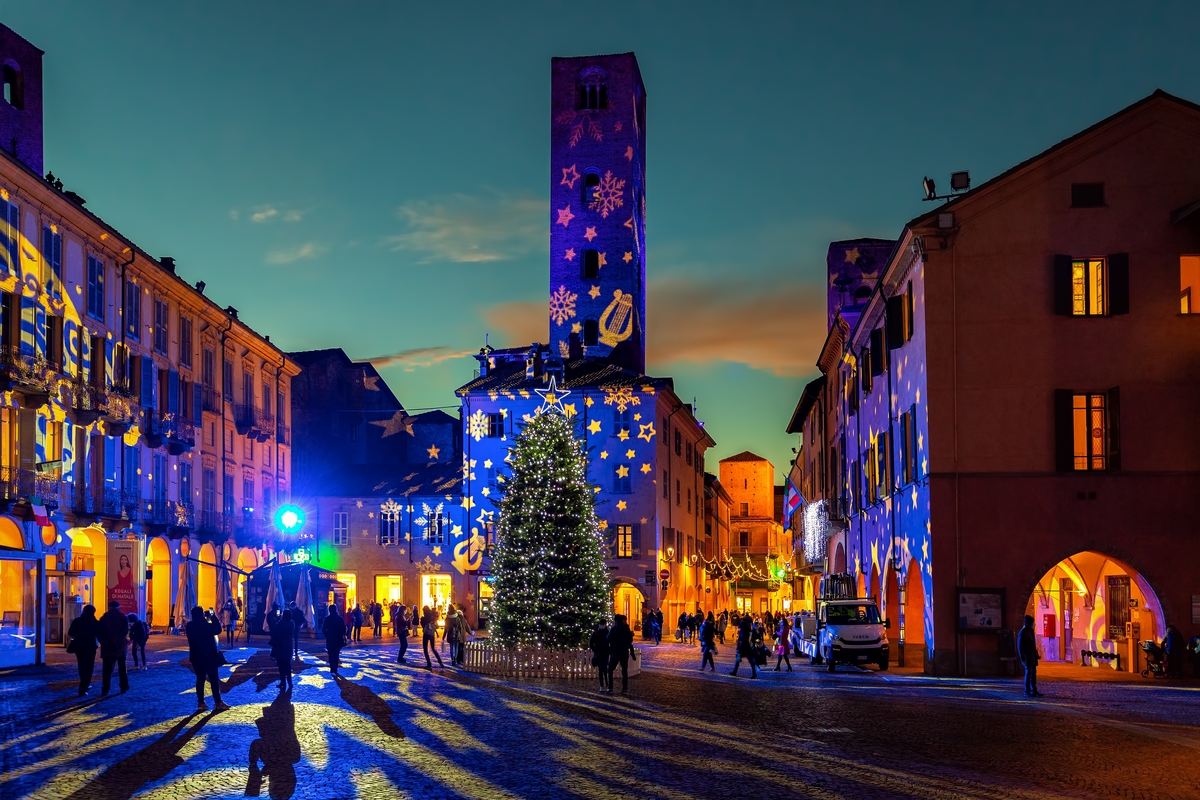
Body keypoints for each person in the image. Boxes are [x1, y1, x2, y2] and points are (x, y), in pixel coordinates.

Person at [186, 605, 229, 711]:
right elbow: (217, 630)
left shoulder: (189, 626)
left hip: (196, 656)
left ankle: (201, 703)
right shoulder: (205, 625)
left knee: (200, 679)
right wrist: (212, 617)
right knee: (214, 679)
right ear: (201, 614)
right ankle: (218, 702)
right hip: (209, 656)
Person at [99, 600, 130, 695]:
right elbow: (125, 631)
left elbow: (100, 632)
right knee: (122, 668)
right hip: (120, 646)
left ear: (109, 607)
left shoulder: (104, 617)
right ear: (118, 607)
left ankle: (105, 689)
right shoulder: (123, 617)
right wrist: (119, 640)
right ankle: (123, 687)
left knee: (107, 670)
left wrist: (104, 641)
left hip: (107, 646)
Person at [67, 604, 100, 696]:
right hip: (90, 646)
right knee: (89, 666)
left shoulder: (77, 621)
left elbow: (70, 632)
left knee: (81, 665)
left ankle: (83, 682)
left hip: (79, 646)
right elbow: (99, 634)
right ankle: (85, 685)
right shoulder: (94, 622)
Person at [606, 614, 637, 694]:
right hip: (624, 652)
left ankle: (610, 688)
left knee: (610, 670)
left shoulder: (614, 629)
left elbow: (608, 639)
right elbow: (630, 641)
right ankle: (624, 689)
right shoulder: (626, 628)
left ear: (616, 621)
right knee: (624, 671)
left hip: (615, 652)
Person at [271, 609, 295, 691]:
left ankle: (283, 682)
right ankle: (290, 682)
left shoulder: (280, 623)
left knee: (281, 666)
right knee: (288, 665)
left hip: (280, 647)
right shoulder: (292, 623)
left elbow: (275, 632)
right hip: (288, 646)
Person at [1018, 614, 1041, 697]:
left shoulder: (1030, 631)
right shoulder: (1023, 632)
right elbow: (1020, 646)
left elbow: (1032, 645)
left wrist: (1036, 655)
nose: (1033, 625)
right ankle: (1026, 691)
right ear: (1028, 623)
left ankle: (1034, 690)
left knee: (1033, 674)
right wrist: (1023, 657)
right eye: (1032, 623)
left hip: (1032, 657)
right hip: (1027, 657)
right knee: (1028, 674)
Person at [321, 603, 347, 676]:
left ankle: (332, 668)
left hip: (330, 638)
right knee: (336, 654)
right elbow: (344, 629)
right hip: (338, 638)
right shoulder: (340, 619)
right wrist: (343, 634)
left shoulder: (327, 619)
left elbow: (323, 629)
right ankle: (335, 668)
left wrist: (327, 635)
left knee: (330, 654)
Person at [730, 614, 757, 679]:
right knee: (748, 659)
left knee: (740, 659)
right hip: (745, 646)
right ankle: (753, 672)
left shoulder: (743, 630)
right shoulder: (745, 629)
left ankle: (735, 671)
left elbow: (742, 639)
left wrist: (739, 647)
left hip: (743, 647)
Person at [590, 619, 611, 692]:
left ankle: (607, 685)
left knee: (604, 669)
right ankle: (602, 685)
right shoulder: (596, 633)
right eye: (601, 624)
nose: (602, 626)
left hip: (605, 653)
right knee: (600, 670)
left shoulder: (607, 632)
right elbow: (591, 643)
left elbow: (610, 642)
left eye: (603, 624)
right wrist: (595, 650)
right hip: (599, 653)